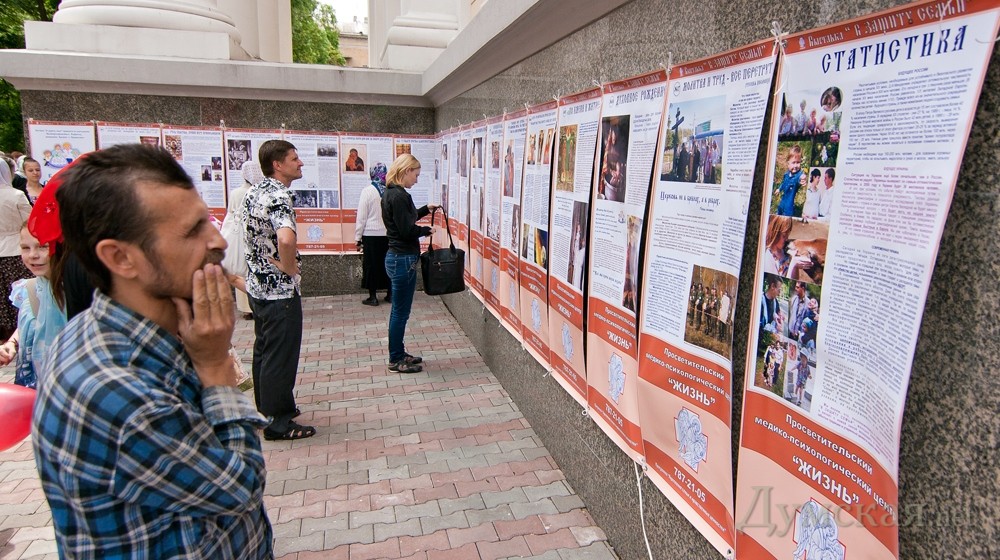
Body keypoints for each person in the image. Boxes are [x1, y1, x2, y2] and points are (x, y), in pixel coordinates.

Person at [33, 144, 273, 558]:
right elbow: (239, 486)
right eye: (192, 231)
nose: (217, 240)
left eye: (207, 220)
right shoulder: (116, 390)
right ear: (121, 258)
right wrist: (216, 367)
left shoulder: (142, 334)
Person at [242, 140, 314, 441]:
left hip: (257, 287)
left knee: (264, 351)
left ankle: (267, 410)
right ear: (277, 165)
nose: (300, 163)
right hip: (278, 291)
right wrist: (289, 267)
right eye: (294, 159)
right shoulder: (279, 195)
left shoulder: (255, 191)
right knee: (280, 356)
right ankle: (278, 423)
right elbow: (285, 238)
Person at [381, 154, 436, 373]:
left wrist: (425, 209)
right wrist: (426, 230)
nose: (416, 179)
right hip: (402, 259)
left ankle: (399, 352)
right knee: (400, 312)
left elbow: (404, 219)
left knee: (400, 311)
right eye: (416, 174)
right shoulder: (399, 196)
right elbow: (406, 230)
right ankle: (395, 359)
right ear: (405, 171)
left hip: (397, 257)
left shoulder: (392, 193)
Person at [0, 223, 67, 389]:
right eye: (25, 248)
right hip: (31, 387)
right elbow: (35, 319)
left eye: (43, 246)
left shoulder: (76, 294)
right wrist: (11, 343)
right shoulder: (27, 289)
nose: (32, 255)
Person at [222, 160, 263, 320]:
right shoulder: (260, 192)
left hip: (239, 235)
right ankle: (259, 302)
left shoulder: (236, 193)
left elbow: (230, 213)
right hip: (256, 235)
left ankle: (246, 308)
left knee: (240, 267)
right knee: (254, 268)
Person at [0, 161, 32, 341]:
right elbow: (30, 221)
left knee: (3, 294)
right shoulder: (16, 195)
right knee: (21, 292)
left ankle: (6, 334)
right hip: (16, 249)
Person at [355, 162, 391, 306]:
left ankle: (373, 297)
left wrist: (358, 237)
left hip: (370, 235)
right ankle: (390, 294)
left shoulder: (367, 191)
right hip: (388, 235)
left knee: (371, 265)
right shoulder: (389, 191)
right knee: (387, 264)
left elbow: (361, 217)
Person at [774, 146, 805, 216]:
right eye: (793, 163)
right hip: (782, 201)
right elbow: (783, 183)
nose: (796, 165)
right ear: (788, 163)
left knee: (787, 218)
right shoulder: (786, 174)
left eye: (798, 162)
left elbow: (800, 178)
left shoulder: (798, 175)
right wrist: (779, 189)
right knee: (779, 213)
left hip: (789, 205)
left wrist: (802, 179)